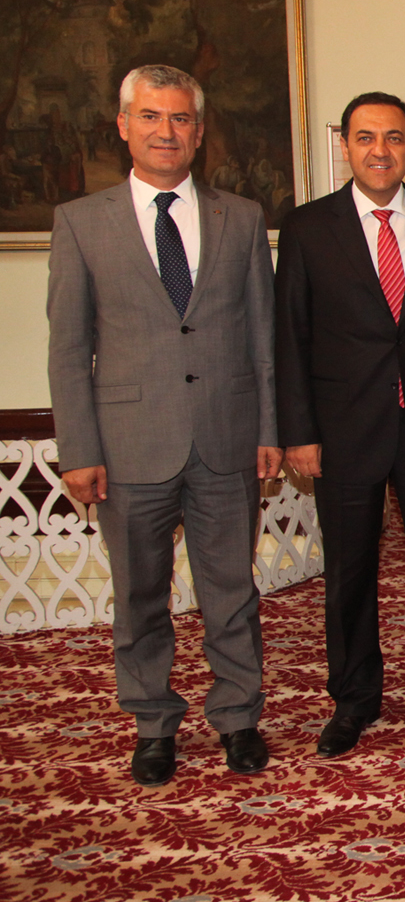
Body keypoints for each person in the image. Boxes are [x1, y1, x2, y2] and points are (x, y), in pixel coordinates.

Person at [47, 64, 280, 786]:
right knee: (140, 597)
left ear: (199, 132)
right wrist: (79, 449)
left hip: (226, 439)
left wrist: (268, 429)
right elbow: (68, 347)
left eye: (180, 118)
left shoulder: (242, 217)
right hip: (127, 447)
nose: (166, 131)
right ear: (123, 125)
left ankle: (238, 717)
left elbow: (263, 336)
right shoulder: (81, 221)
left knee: (231, 592)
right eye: (150, 116)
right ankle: (153, 724)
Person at [274, 92, 405, 757]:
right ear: (345, 146)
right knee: (350, 570)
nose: (380, 150)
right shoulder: (307, 228)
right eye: (366, 137)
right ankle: (355, 695)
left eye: (394, 137)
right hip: (343, 430)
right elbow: (290, 336)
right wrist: (299, 432)